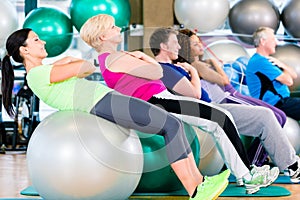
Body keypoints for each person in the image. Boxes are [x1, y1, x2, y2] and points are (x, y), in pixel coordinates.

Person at [1, 28, 231, 200]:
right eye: (36, 40)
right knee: (170, 125)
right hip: (102, 103)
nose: (42, 42)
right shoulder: (37, 75)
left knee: (173, 124)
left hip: (106, 99)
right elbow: (86, 67)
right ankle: (195, 189)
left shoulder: (45, 71)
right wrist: (71, 60)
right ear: (24, 50)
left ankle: (199, 183)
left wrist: (66, 61)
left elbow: (78, 68)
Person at [80, 14, 278, 194]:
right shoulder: (113, 58)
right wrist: (142, 57)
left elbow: (152, 71)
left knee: (219, 118)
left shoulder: (114, 57)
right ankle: (246, 175)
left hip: (162, 98)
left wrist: (143, 59)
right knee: (219, 118)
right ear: (102, 37)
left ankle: (245, 174)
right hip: (157, 101)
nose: (118, 28)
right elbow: (157, 72)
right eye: (112, 27)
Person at [149, 27, 300, 184]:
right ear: (164, 46)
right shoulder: (166, 69)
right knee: (267, 115)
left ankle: (290, 165)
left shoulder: (176, 66)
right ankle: (259, 169)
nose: (179, 47)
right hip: (208, 109)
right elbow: (195, 94)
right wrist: (193, 71)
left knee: (266, 115)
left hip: (214, 106)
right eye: (175, 43)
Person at [175, 28, 288, 167]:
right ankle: (255, 161)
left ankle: (258, 159)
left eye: (199, 42)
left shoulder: (201, 64)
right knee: (275, 117)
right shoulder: (197, 65)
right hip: (227, 97)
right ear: (186, 47)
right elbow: (224, 81)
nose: (200, 45)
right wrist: (215, 63)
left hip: (231, 95)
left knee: (279, 116)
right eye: (195, 44)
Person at [246, 26, 300, 122]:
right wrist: (283, 67)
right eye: (273, 39)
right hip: (276, 104)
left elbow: (294, 75)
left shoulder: (267, 61)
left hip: (281, 102)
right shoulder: (260, 62)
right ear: (263, 41)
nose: (276, 42)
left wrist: (282, 64)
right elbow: (289, 81)